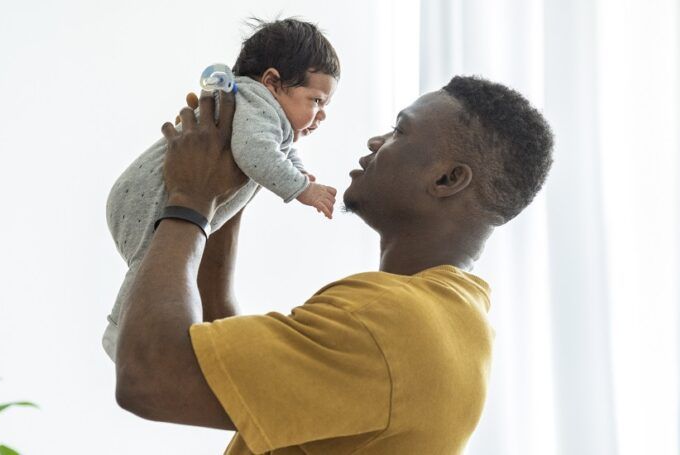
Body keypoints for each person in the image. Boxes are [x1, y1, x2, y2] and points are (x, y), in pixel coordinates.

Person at [113, 75, 554, 454]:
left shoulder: (388, 323)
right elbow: (224, 360)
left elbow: (151, 375)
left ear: (447, 179)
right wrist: (238, 180)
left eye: (400, 131)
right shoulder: (449, 321)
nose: (375, 141)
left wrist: (189, 199)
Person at [102, 18, 340, 361]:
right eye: (316, 100)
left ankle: (144, 332)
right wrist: (302, 189)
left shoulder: (266, 113)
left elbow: (280, 150)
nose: (321, 115)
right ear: (272, 82)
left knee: (166, 271)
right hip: (148, 197)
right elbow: (256, 152)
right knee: (149, 264)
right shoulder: (256, 105)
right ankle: (119, 332)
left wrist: (299, 171)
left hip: (156, 199)